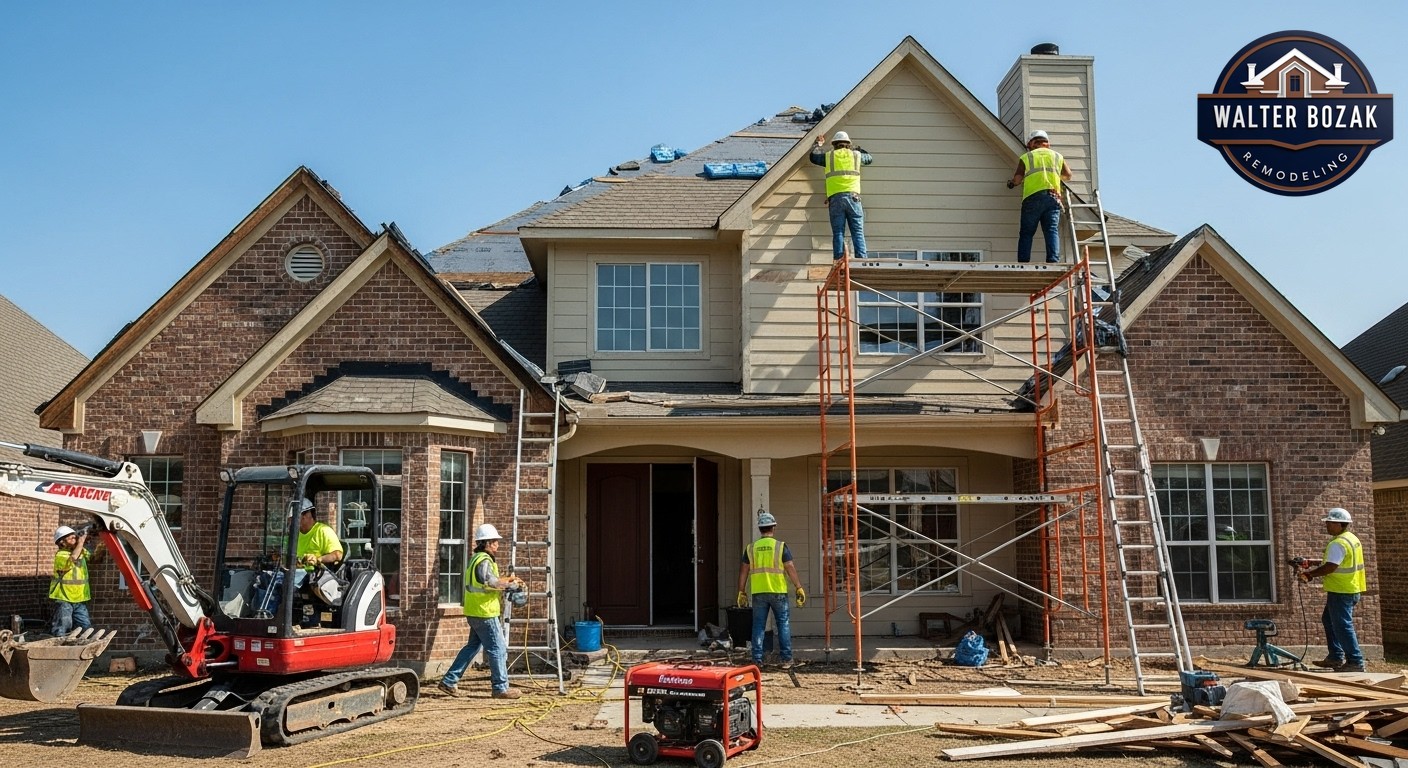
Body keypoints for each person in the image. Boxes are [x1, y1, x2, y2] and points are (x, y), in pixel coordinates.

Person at [439, 523, 525, 699]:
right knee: (497, 648)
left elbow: (485, 581)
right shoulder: (484, 561)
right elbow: (490, 582)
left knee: (472, 647)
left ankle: (449, 680)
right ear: (486, 543)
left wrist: (508, 579)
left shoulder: (476, 559)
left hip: (475, 611)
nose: (497, 545)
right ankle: (501, 688)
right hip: (485, 613)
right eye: (495, 542)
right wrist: (512, 585)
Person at [1297, 507, 1366, 673]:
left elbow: (1331, 566)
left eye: (1329, 522)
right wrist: (1312, 562)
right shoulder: (1351, 538)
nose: (1326, 525)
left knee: (1343, 625)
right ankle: (1335, 656)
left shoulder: (1338, 543)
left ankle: (1355, 661)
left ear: (1339, 524)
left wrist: (1309, 574)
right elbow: (1337, 561)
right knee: (1329, 620)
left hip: (1341, 591)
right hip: (1351, 588)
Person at [253, 498, 343, 621]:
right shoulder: (294, 534)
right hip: (293, 571)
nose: (291, 523)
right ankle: (262, 615)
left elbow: (337, 555)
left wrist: (318, 559)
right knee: (264, 577)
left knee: (281, 580)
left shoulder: (323, 531)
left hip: (313, 574)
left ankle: (270, 617)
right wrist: (278, 556)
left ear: (306, 515)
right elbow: (285, 554)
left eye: (294, 519)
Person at [737, 511, 806, 669]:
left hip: (758, 592)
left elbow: (743, 571)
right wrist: (798, 587)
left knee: (758, 626)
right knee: (783, 624)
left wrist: (741, 591)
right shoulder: (780, 546)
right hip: (778, 592)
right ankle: (786, 659)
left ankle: (757, 660)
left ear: (760, 529)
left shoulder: (751, 548)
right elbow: (790, 567)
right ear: (773, 528)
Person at [1008, 129, 1072, 263]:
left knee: (1027, 233)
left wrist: (1012, 183)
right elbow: (1068, 175)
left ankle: (1023, 262)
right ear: (1046, 143)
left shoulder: (1027, 157)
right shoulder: (1057, 156)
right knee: (1051, 230)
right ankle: (1053, 259)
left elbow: (1018, 180)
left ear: (1032, 143)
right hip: (1053, 197)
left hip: (1032, 197)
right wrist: (1054, 177)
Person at [809, 130, 873, 260]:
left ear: (834, 144)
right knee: (858, 232)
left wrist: (818, 144)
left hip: (836, 199)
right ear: (848, 144)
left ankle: (838, 259)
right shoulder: (855, 155)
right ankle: (862, 259)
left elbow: (813, 156)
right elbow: (870, 158)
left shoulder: (829, 156)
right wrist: (858, 149)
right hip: (853, 198)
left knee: (838, 232)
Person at [50, 524, 103, 636]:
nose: (75, 539)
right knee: (62, 628)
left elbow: (94, 559)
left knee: (85, 628)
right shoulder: (61, 555)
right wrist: (81, 542)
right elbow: (73, 558)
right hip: (64, 599)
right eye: (71, 537)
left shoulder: (81, 551)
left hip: (79, 599)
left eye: (75, 537)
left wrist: (102, 543)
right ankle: (58, 650)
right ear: (62, 542)